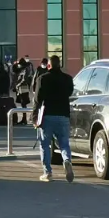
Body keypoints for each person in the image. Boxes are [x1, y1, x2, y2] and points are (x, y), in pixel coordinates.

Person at [33, 55, 74, 183]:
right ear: (59, 65)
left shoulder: (43, 78)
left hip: (47, 115)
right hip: (63, 115)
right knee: (64, 143)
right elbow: (69, 93)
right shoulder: (67, 79)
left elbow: (37, 99)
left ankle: (48, 173)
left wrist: (34, 117)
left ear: (49, 65)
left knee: (45, 144)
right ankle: (67, 160)